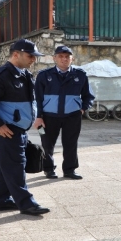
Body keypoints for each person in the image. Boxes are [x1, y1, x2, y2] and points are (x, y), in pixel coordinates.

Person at [0, 39, 50, 216]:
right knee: (16, 167)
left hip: (18, 130)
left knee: (6, 166)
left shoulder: (24, 74)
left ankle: (0, 201)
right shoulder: (1, 76)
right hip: (7, 130)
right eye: (30, 56)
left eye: (35, 56)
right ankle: (27, 203)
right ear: (16, 54)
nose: (34, 60)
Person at [33, 45, 94, 180]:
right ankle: (48, 169)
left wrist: (82, 108)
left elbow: (88, 96)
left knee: (71, 144)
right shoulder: (44, 75)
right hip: (48, 117)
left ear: (72, 59)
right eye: (60, 56)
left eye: (67, 57)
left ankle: (69, 170)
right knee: (47, 144)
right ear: (54, 58)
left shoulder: (80, 75)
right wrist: (38, 117)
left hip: (72, 116)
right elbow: (37, 98)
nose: (64, 59)